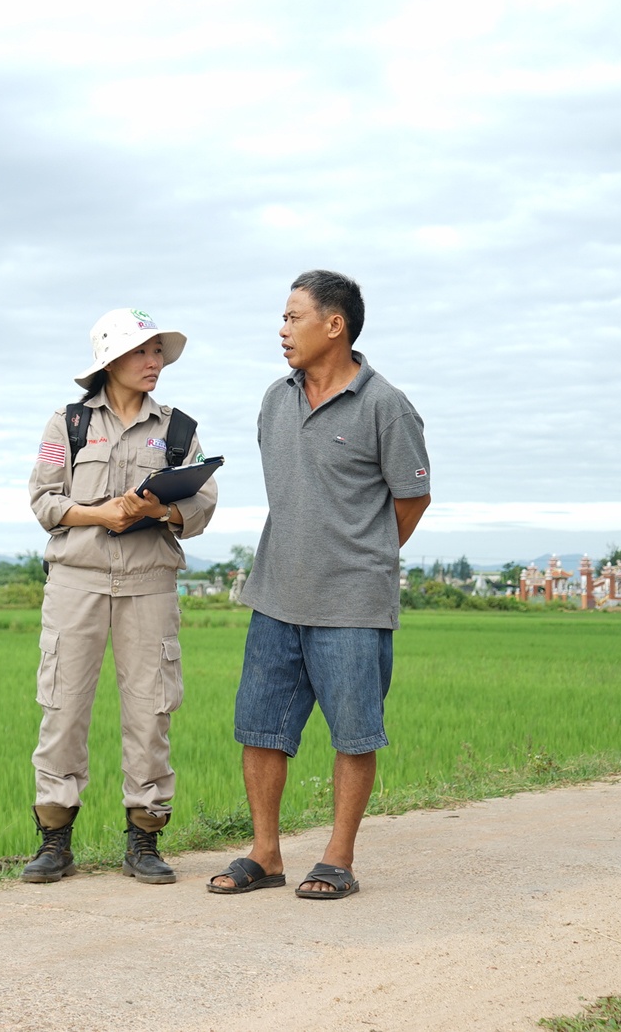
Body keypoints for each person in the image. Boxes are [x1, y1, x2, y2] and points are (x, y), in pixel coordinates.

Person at [210, 271, 429, 902]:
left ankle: (338, 857)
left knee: (354, 733)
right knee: (259, 728)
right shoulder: (274, 401)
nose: (282, 330)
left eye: (293, 317)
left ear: (334, 325)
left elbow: (412, 498)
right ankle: (266, 853)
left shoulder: (386, 405)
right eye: (283, 317)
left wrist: (364, 559)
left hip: (352, 605)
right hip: (275, 594)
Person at [22, 308, 217, 886]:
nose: (154, 362)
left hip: (149, 584)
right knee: (62, 709)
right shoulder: (69, 424)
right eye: (143, 352)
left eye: (158, 352)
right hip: (75, 582)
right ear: (111, 360)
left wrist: (162, 508)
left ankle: (144, 839)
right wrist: (100, 513)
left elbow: (203, 506)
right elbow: (45, 502)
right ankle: (55, 840)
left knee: (151, 712)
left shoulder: (179, 429)